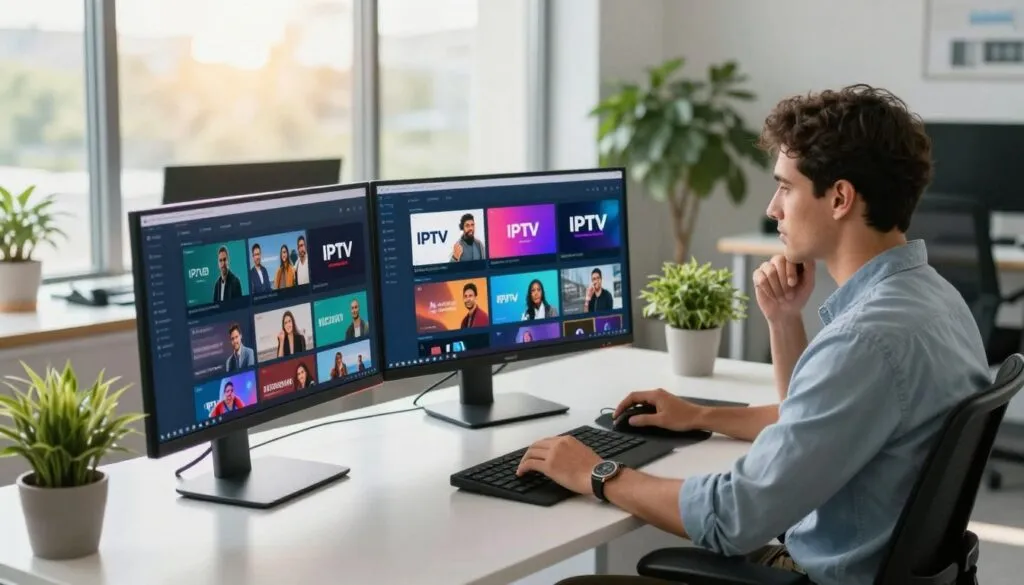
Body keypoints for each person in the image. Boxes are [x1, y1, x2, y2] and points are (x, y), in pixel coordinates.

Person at [531, 85, 991, 585]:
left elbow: (734, 518)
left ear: (839, 198)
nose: (773, 208)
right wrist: (773, 332)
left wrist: (597, 473)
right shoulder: (937, 301)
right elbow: (814, 423)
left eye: (786, 188)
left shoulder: (865, 340)